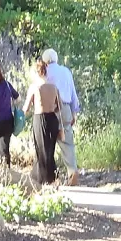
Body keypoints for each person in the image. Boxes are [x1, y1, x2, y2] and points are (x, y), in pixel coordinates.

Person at [41, 48, 81, 186]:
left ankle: (49, 176)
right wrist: (74, 112)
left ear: (45, 61)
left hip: (50, 109)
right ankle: (72, 171)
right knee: (67, 142)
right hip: (66, 108)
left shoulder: (45, 72)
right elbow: (73, 93)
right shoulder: (66, 71)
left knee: (47, 142)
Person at [23, 59, 62, 185]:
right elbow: (59, 106)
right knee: (50, 150)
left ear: (36, 72)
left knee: (41, 150)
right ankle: (52, 177)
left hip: (40, 119)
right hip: (53, 119)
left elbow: (26, 108)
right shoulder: (54, 87)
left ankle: (41, 179)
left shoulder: (35, 87)